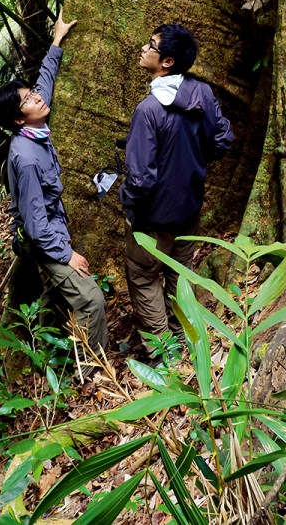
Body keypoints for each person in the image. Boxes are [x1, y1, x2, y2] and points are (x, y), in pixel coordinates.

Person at [0, 11, 109, 356]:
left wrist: (57, 40)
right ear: (17, 118)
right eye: (28, 100)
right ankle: (94, 372)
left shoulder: (34, 127)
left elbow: (44, 82)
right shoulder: (26, 157)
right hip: (45, 241)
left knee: (50, 300)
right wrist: (67, 255)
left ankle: (44, 358)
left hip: (52, 232)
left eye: (31, 94)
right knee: (91, 300)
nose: (37, 98)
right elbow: (34, 223)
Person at [120, 24, 233, 347]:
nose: (144, 49)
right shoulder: (203, 94)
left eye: (151, 45)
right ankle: (186, 339)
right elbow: (223, 139)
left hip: (153, 218)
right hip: (190, 207)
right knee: (180, 272)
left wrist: (127, 202)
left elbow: (140, 178)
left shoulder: (148, 111)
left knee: (143, 276)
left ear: (167, 62)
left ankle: (164, 352)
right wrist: (192, 160)